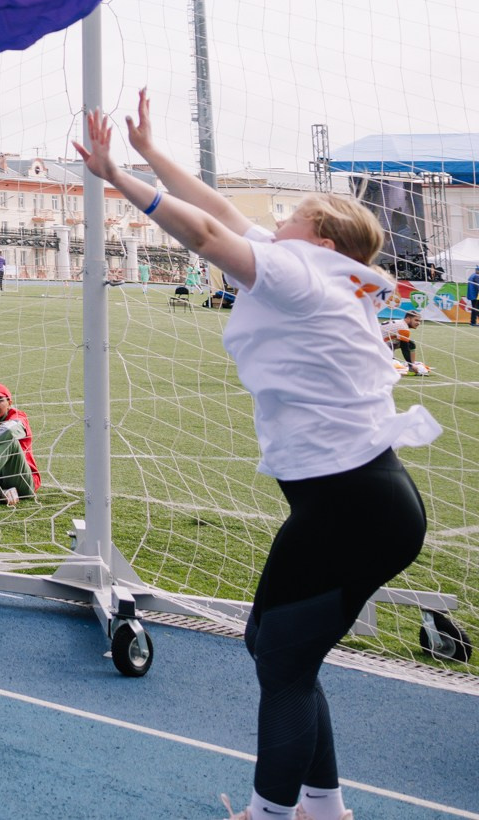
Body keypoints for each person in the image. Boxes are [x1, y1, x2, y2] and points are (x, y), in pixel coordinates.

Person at [80, 92, 438, 820]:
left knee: (281, 659)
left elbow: (209, 233)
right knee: (278, 650)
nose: (275, 225)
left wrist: (119, 176)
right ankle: (322, 807)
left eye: (290, 219)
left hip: (353, 507)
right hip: (363, 503)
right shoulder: (318, 271)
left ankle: (274, 815)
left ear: (322, 243)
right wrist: (152, 154)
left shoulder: (304, 276)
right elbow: (218, 208)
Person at [379, 285, 431, 377]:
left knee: (410, 343)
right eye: (416, 320)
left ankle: (410, 364)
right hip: (376, 345)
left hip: (381, 343)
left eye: (419, 321)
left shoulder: (401, 324)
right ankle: (410, 366)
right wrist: (411, 365)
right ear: (407, 319)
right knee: (393, 364)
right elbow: (404, 348)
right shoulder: (403, 327)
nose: (418, 323)